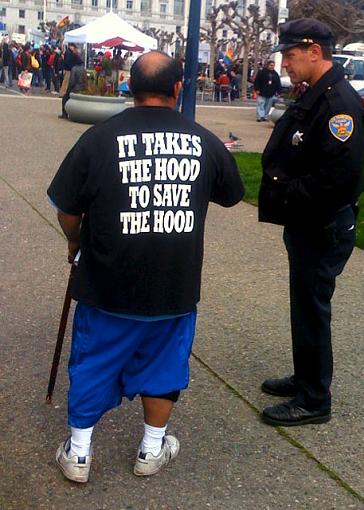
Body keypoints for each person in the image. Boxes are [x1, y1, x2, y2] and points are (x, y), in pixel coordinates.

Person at [47, 50, 244, 483]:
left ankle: (79, 453)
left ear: (129, 87)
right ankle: (150, 449)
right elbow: (232, 193)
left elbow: (66, 207)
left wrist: (74, 242)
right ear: (179, 88)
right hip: (174, 285)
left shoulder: (99, 139)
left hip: (107, 282)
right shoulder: (203, 139)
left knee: (94, 362)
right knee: (164, 366)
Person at [258, 18, 364, 426]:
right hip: (308, 224)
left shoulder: (338, 104)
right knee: (303, 307)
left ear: (314, 52)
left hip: (322, 225)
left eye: (290, 55)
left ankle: (314, 399)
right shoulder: (316, 94)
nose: (285, 63)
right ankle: (305, 378)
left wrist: (286, 192)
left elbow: (337, 179)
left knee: (312, 309)